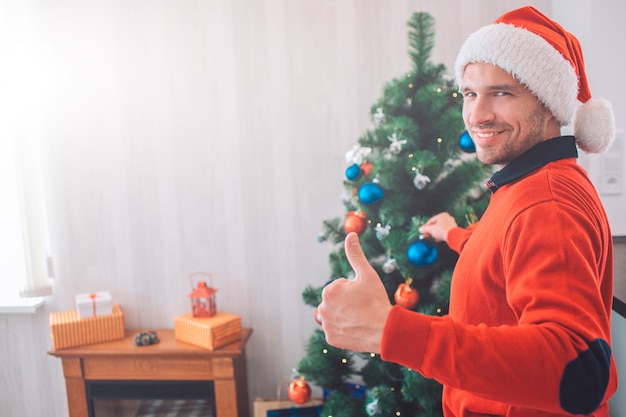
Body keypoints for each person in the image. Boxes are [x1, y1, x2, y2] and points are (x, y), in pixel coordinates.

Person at [318, 6, 618, 417]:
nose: (476, 115)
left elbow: (579, 372)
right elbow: (507, 252)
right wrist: (456, 235)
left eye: (502, 92)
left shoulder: (547, 203)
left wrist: (389, 329)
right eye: (470, 94)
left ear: (548, 102)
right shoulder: (526, 184)